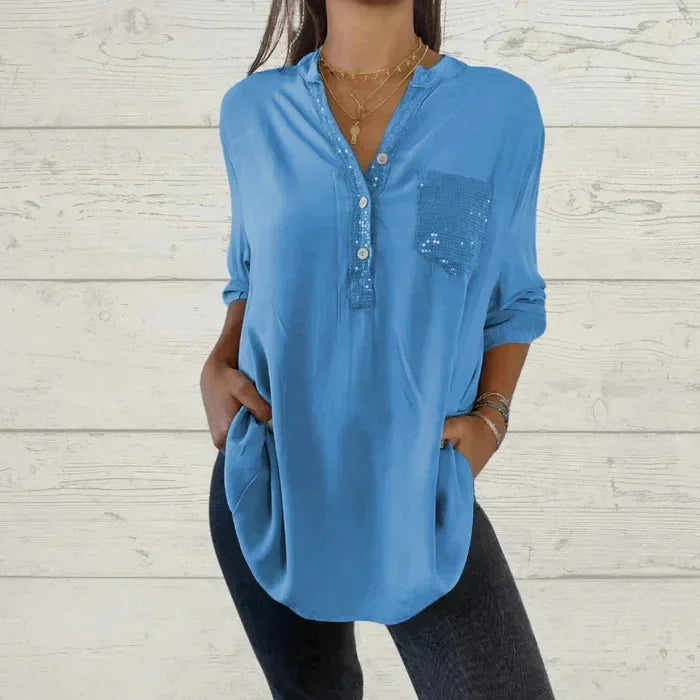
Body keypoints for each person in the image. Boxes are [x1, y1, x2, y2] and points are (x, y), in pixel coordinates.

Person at [200, 1, 556, 697]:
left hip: (421, 493)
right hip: (272, 479)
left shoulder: (499, 111)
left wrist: (492, 417)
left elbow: (513, 297)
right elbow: (251, 276)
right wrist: (218, 364)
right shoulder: (252, 112)